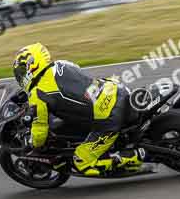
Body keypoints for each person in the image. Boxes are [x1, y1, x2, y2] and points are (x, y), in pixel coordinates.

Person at [12, 42, 144, 176]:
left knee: (81, 160)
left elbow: (40, 131)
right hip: (113, 89)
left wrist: (31, 144)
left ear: (33, 66)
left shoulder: (38, 94)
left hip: (108, 116)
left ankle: (135, 157)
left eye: (22, 71)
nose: (21, 76)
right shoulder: (61, 64)